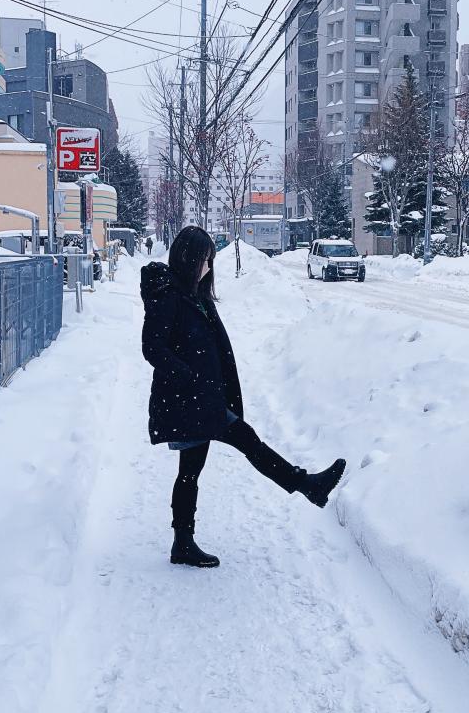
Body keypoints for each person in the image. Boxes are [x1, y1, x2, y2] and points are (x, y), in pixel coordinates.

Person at [141, 225, 346, 568]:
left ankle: (183, 542)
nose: (209, 266)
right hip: (189, 399)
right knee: (244, 444)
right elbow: (152, 347)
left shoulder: (193, 293)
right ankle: (307, 485)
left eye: (211, 260)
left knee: (192, 469)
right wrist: (189, 377)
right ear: (190, 258)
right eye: (205, 259)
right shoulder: (169, 294)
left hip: (203, 398)